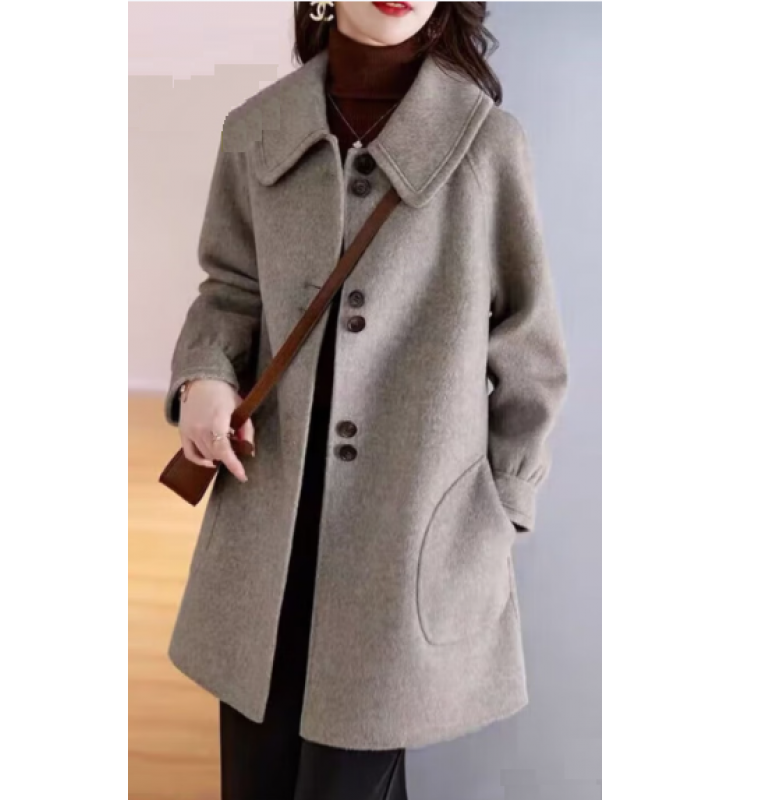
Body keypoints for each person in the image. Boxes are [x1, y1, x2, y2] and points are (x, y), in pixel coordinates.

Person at [165, 2, 568, 798]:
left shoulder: (486, 145)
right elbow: (230, 288)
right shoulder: (257, 129)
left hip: (405, 545)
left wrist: (499, 511)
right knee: (253, 779)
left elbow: (530, 353)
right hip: (264, 537)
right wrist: (205, 375)